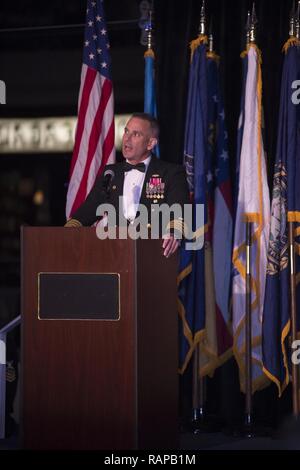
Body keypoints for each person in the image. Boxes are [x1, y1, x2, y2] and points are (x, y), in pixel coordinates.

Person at [65, 113, 190, 257]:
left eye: (136, 134)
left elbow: (179, 209)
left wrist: (174, 232)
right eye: (126, 131)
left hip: (153, 256)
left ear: (150, 143)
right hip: (113, 256)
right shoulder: (110, 173)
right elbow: (85, 213)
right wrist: (64, 233)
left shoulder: (171, 173)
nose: (127, 138)